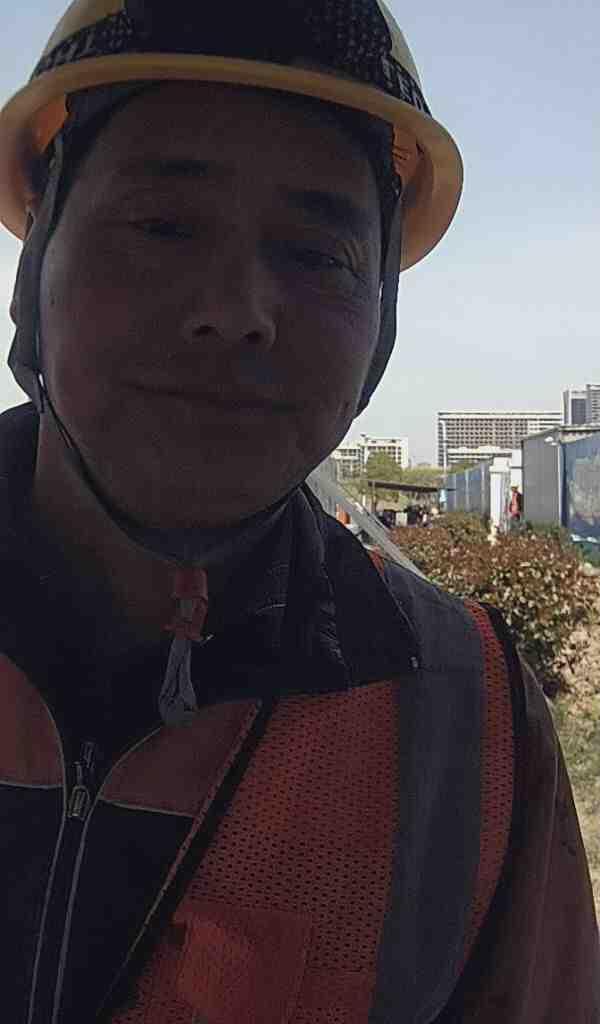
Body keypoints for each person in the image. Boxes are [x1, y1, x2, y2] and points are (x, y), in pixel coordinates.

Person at [0, 2, 598, 1022]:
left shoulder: (470, 727)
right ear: (34, 274)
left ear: (380, 332)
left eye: (317, 256)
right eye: (164, 225)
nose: (236, 312)